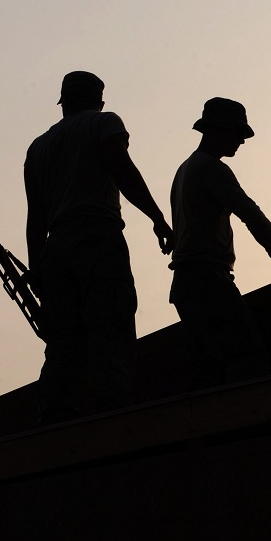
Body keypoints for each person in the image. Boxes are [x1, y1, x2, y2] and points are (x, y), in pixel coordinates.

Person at [24, 71, 174, 424]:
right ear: (99, 101)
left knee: (62, 343)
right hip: (96, 238)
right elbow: (122, 170)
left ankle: (55, 419)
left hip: (55, 250)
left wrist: (36, 269)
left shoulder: (37, 148)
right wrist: (156, 217)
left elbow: (35, 217)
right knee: (110, 326)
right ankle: (114, 416)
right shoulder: (104, 123)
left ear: (64, 103)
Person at [169, 97, 271, 389]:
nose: (241, 140)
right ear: (217, 130)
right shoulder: (210, 168)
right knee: (247, 359)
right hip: (206, 281)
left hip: (187, 285)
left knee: (207, 372)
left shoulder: (184, 169)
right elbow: (250, 214)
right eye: (237, 133)